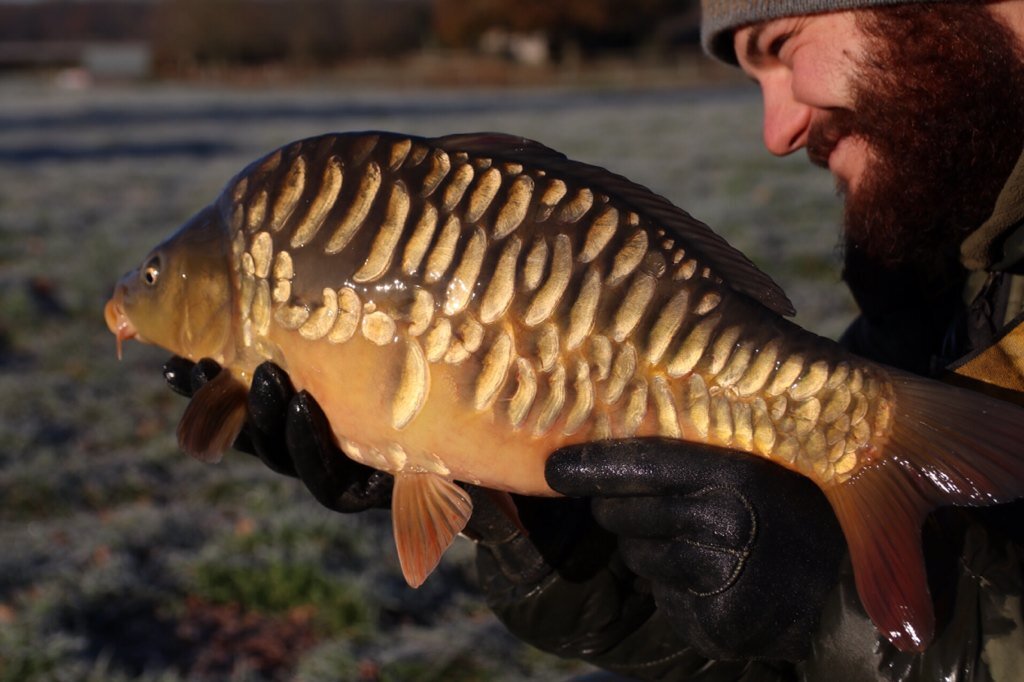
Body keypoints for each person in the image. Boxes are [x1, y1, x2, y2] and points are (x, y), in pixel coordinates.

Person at [164, 2, 1024, 679]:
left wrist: (843, 599)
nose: (775, 132)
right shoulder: (939, 311)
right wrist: (602, 571)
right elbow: (787, 668)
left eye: (783, 43)